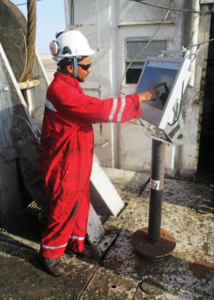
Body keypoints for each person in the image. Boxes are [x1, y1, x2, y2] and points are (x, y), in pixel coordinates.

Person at [38, 29, 164, 276]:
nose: (89, 69)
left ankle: (76, 243)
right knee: (63, 208)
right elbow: (98, 110)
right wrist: (141, 98)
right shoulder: (61, 91)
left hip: (76, 159)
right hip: (63, 163)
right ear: (70, 64)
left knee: (80, 203)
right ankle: (49, 253)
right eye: (85, 65)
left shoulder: (70, 84)